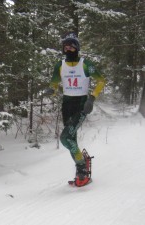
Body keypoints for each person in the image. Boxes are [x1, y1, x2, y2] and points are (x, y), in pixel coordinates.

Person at [47, 32, 105, 183]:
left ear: (76, 48)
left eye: (71, 47)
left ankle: (81, 167)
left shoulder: (85, 64)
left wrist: (91, 99)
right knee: (71, 139)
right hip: (66, 104)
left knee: (65, 138)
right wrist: (51, 90)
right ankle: (82, 171)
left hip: (81, 105)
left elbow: (101, 81)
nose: (68, 50)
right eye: (65, 47)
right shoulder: (60, 65)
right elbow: (54, 83)